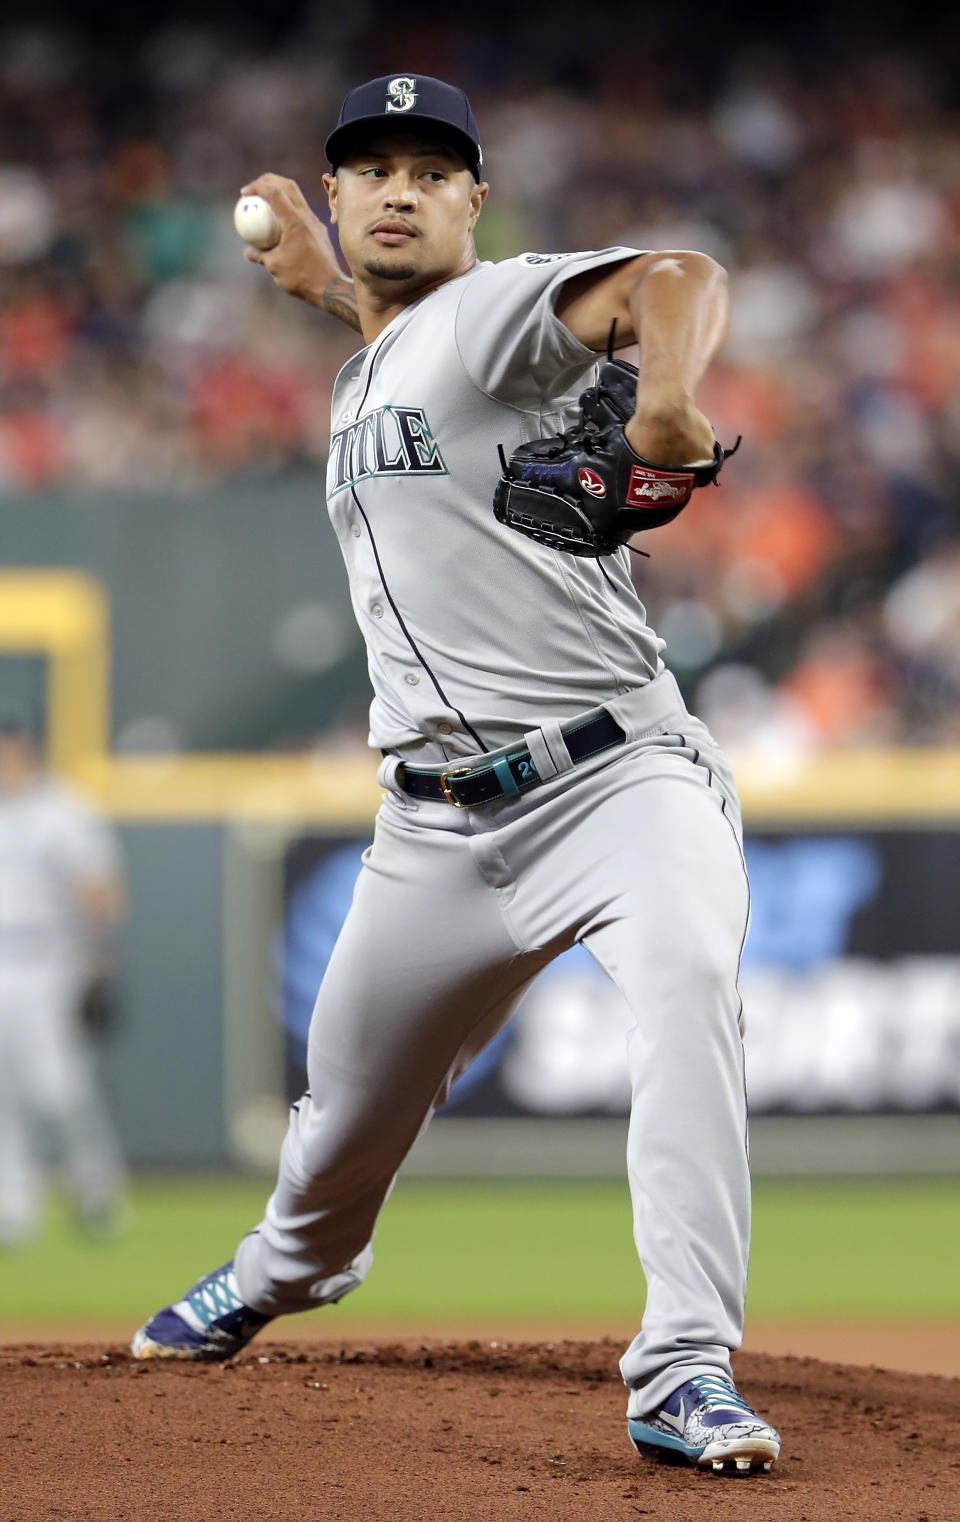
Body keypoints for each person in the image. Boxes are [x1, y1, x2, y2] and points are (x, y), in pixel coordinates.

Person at [132, 74, 781, 1475]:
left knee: (686, 985)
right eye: (373, 168)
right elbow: (405, 356)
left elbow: (675, 273)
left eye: (435, 169)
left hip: (619, 781)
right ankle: (286, 1266)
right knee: (342, 1117)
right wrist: (323, 291)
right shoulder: (382, 353)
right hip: (430, 831)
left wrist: (664, 401)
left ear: (474, 204)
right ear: (342, 194)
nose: (402, 187)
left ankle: (684, 1365)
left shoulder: (494, 312)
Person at [0, 702, 128, 1244]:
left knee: (59, 1087)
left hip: (49, 960)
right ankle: (13, 1210)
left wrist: (99, 958)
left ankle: (98, 1189)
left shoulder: (62, 810)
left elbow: (100, 890)